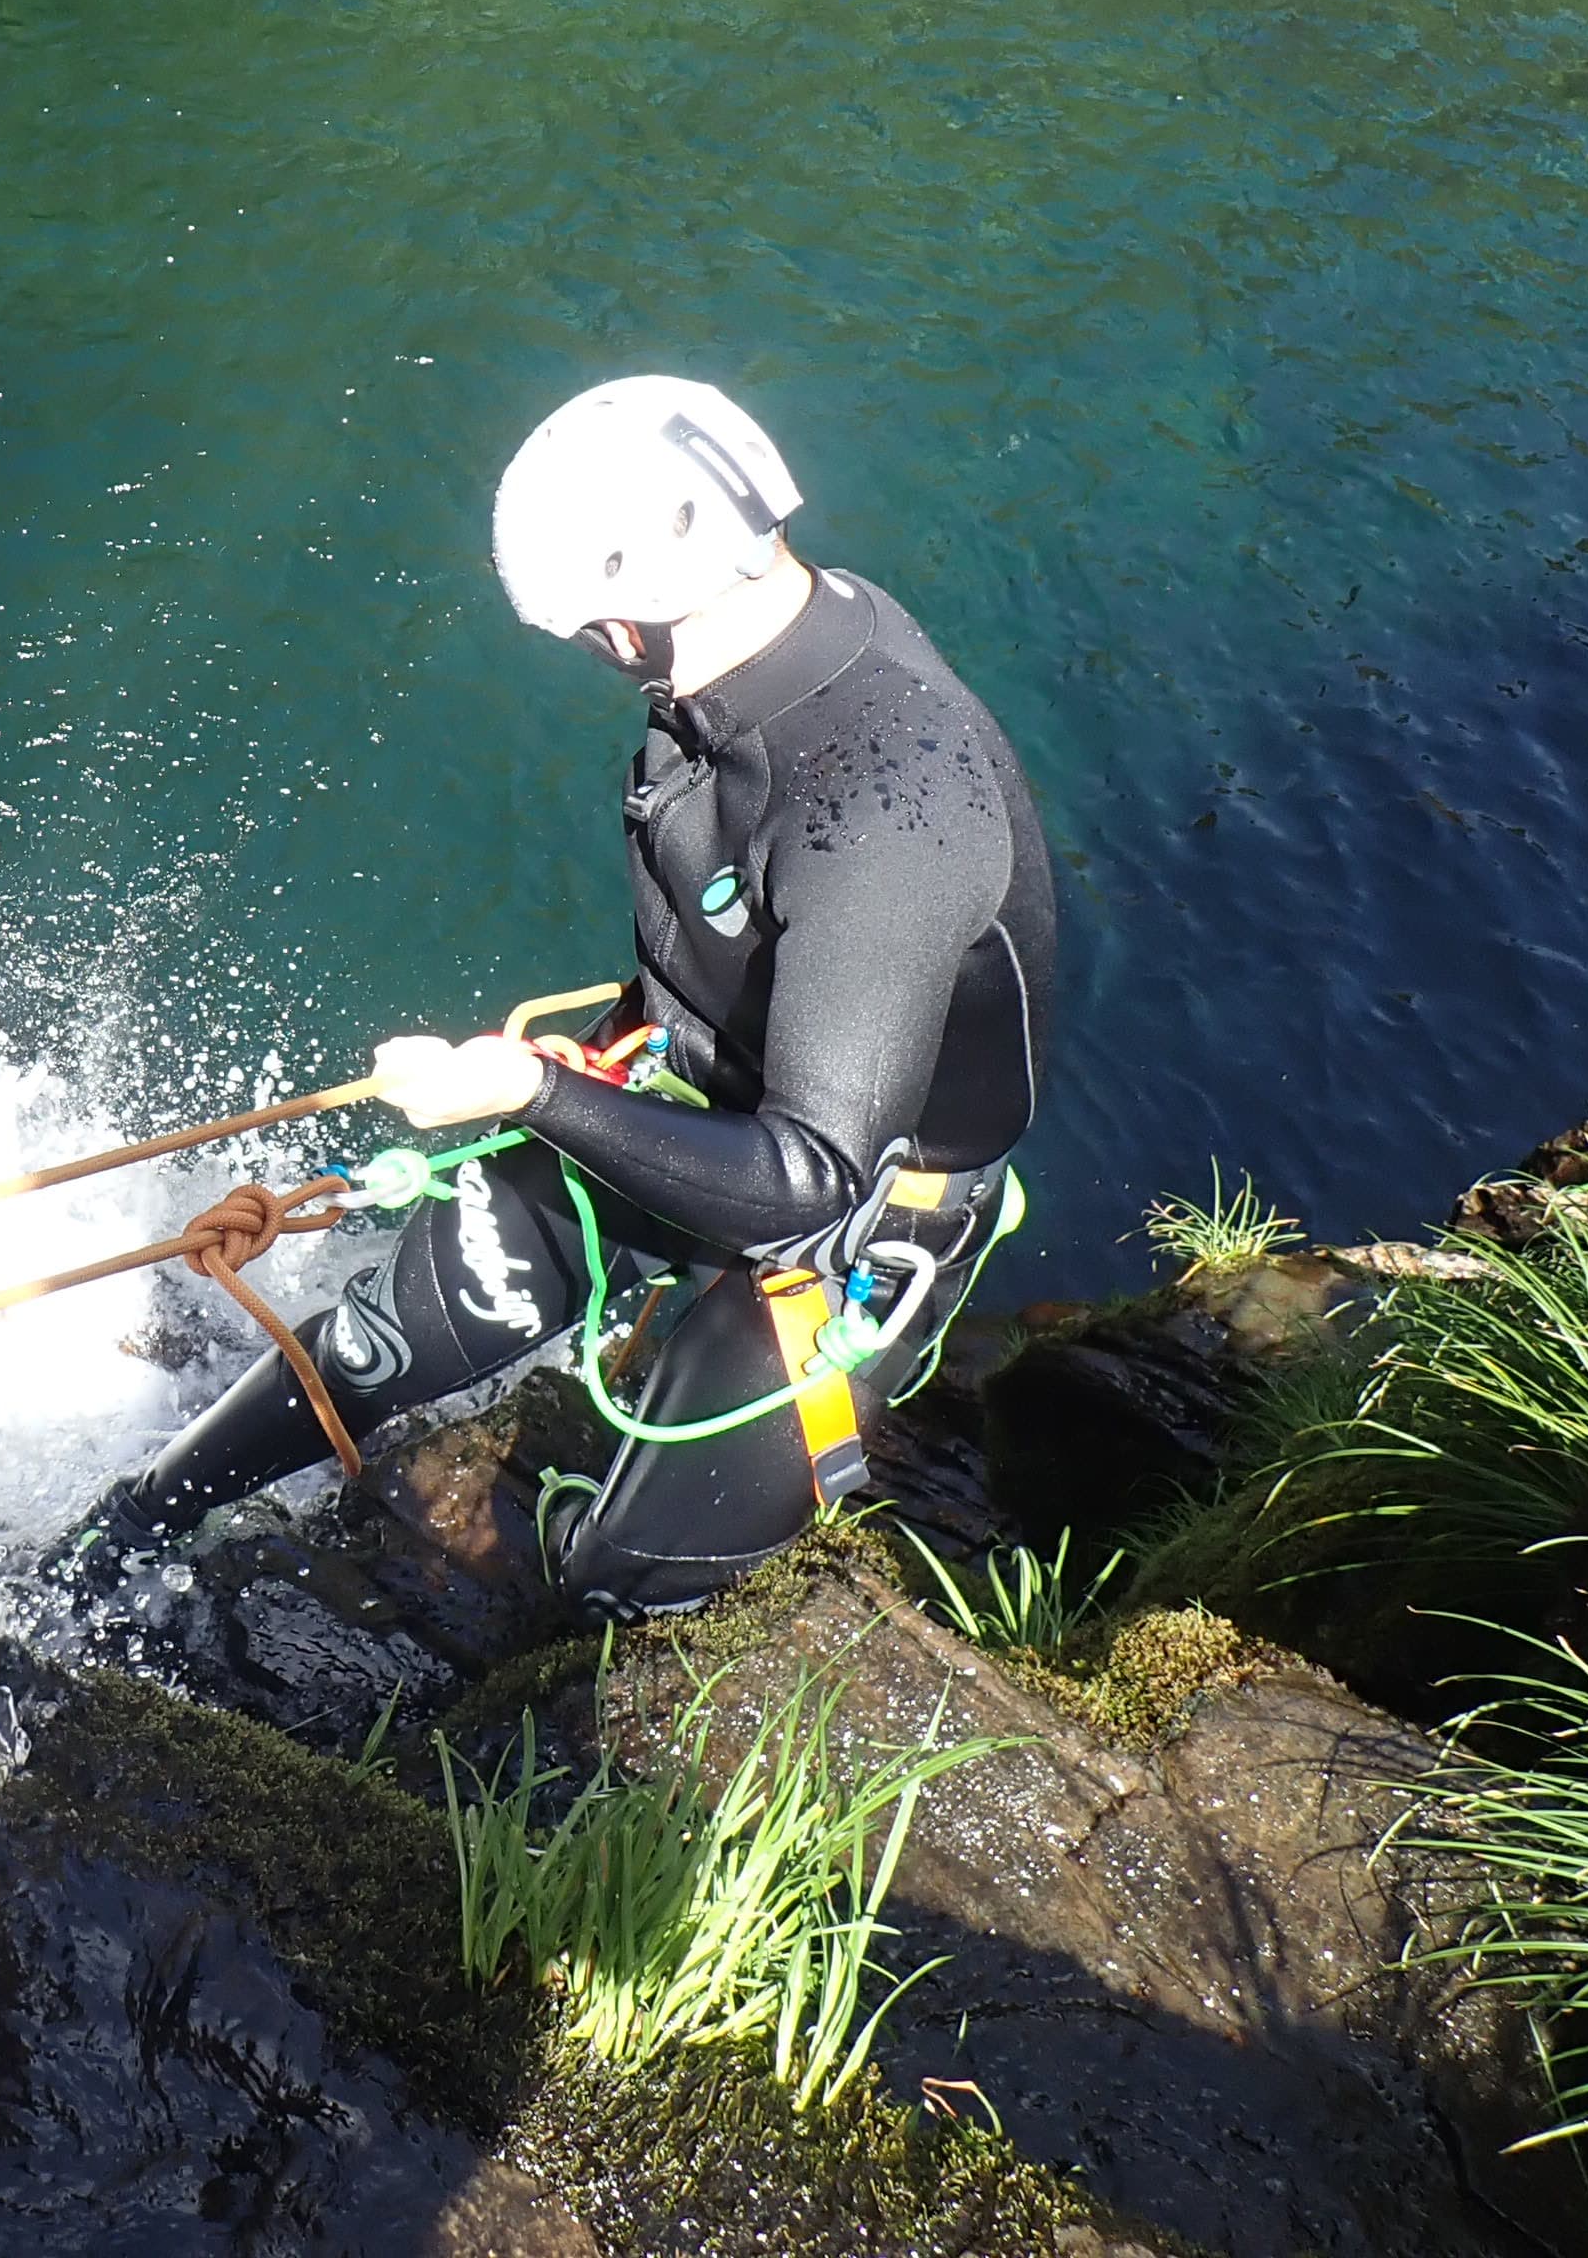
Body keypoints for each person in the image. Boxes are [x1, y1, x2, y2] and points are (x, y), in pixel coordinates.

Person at [84, 377, 1058, 1617]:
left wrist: (529, 1090)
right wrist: (579, 1083)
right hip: (695, 1090)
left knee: (617, 1587)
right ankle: (109, 1542)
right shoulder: (743, 679)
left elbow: (806, 1174)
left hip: (852, 1215)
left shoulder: (881, 806)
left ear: (624, 615)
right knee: (364, 1354)